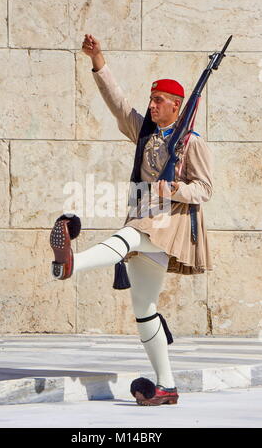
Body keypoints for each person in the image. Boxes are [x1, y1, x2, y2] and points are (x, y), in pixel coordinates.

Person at [50, 34, 213, 406]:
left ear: (176, 106)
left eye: (159, 101)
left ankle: (73, 263)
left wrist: (171, 189)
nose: (152, 104)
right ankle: (167, 386)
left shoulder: (193, 142)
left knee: (128, 235)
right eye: (152, 99)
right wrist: (98, 61)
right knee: (144, 308)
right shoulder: (145, 132)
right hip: (145, 215)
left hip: (169, 223)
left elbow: (204, 189)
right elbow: (119, 105)